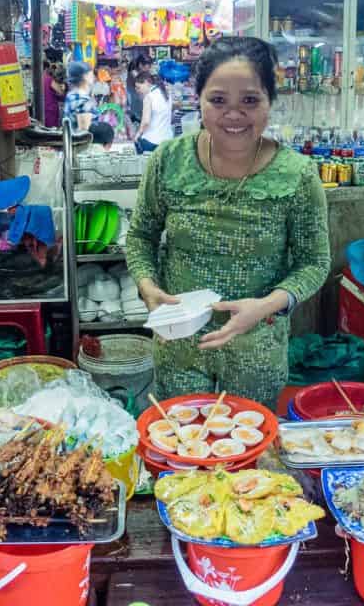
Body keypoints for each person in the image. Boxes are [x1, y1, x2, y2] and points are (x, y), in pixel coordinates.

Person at [125, 37, 331, 410]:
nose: (233, 115)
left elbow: (314, 263)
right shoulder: (168, 161)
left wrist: (266, 305)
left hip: (257, 354)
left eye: (250, 101)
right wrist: (147, 285)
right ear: (198, 99)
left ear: (270, 102)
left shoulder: (297, 175)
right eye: (218, 101)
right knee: (180, 453)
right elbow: (140, 236)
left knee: (249, 462)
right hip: (178, 350)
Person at [132, 72, 173, 153]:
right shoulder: (167, 94)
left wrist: (138, 134)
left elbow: (146, 122)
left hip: (152, 141)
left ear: (147, 82)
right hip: (168, 140)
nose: (138, 91)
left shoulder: (149, 97)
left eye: (139, 87)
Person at [63, 61, 99, 131]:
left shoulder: (72, 95)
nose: (93, 76)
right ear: (85, 76)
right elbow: (84, 131)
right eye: (91, 73)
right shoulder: (81, 99)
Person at [125, 54, 153, 127]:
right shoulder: (134, 74)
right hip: (136, 101)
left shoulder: (142, 72)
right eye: (148, 67)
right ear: (140, 65)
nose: (149, 69)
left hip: (139, 100)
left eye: (150, 67)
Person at [42, 60, 66, 128]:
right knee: (52, 131)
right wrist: (63, 88)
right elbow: (60, 92)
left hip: (43, 110)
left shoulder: (39, 79)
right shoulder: (49, 79)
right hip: (50, 111)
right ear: (47, 68)